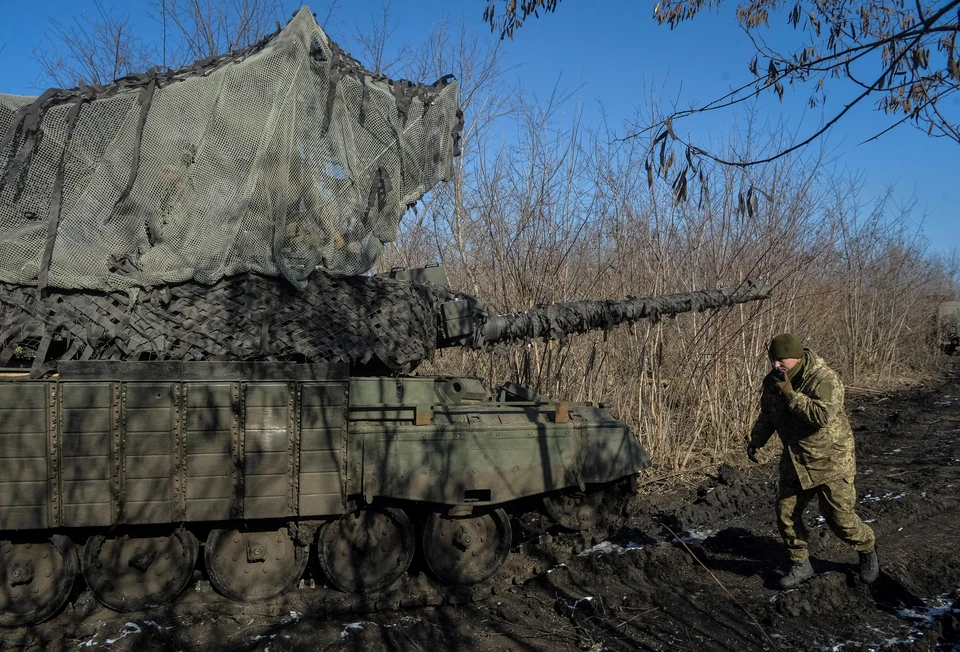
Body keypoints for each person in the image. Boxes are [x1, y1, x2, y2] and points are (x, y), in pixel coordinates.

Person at [747, 333, 879, 589]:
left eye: (782, 360)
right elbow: (768, 414)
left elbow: (821, 416)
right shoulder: (773, 381)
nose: (776, 365)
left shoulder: (824, 378)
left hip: (831, 460)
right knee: (786, 514)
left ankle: (867, 548)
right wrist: (757, 438)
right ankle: (800, 563)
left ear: (797, 357)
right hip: (796, 460)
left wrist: (790, 394)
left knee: (839, 519)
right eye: (774, 360)